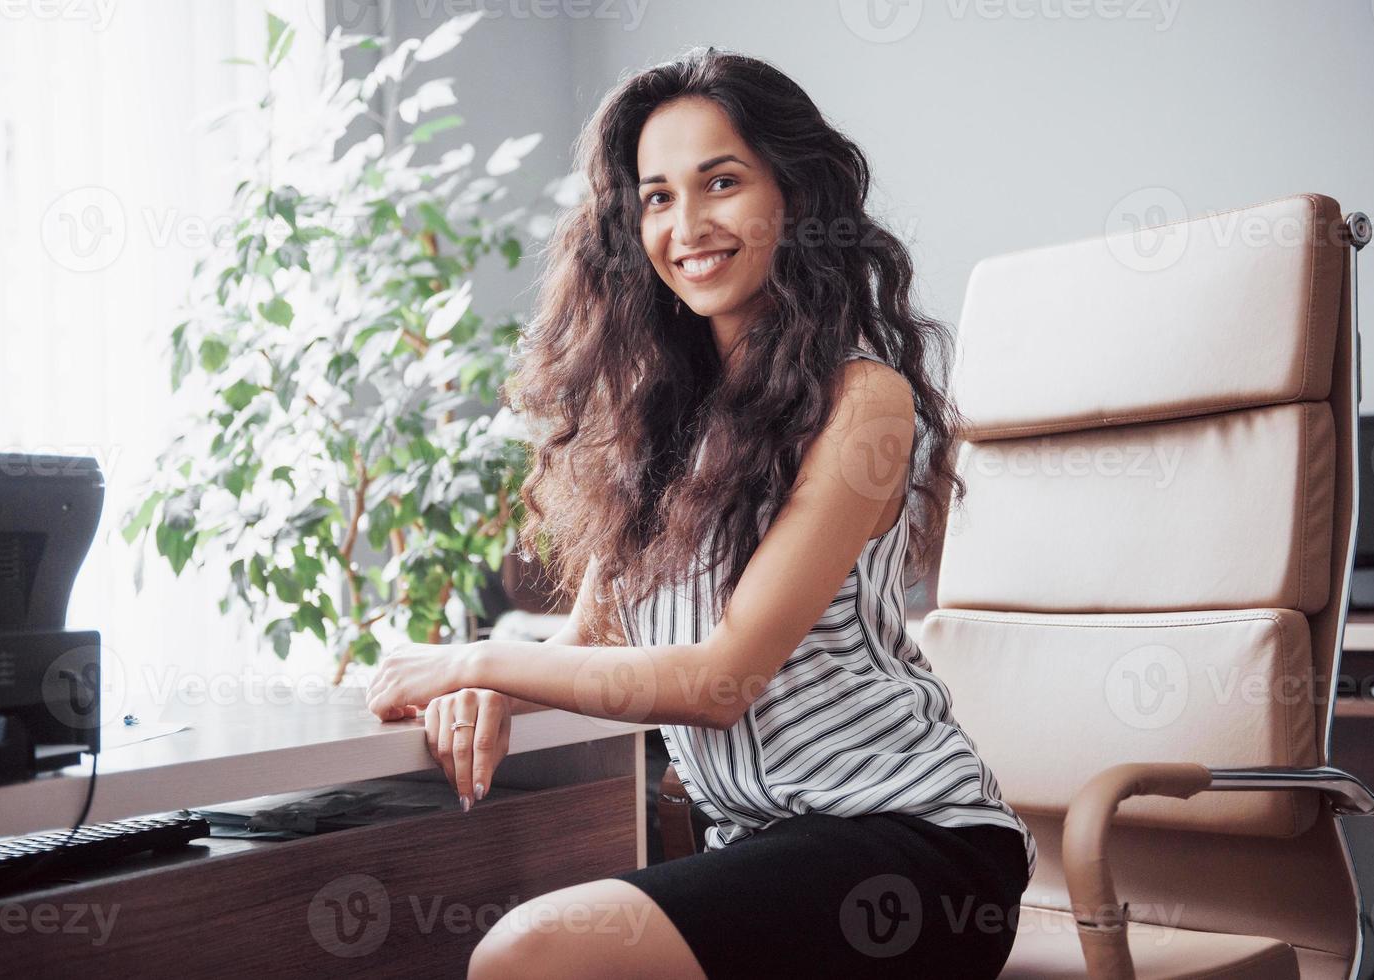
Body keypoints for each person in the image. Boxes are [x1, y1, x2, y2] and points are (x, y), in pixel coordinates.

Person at [366, 44, 1035, 979]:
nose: (687, 224)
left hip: (915, 851)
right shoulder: (653, 426)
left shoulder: (862, 403)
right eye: (656, 196)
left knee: (529, 952)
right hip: (762, 846)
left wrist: (468, 657)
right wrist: (481, 688)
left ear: (792, 198)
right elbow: (591, 650)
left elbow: (719, 682)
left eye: (720, 182)